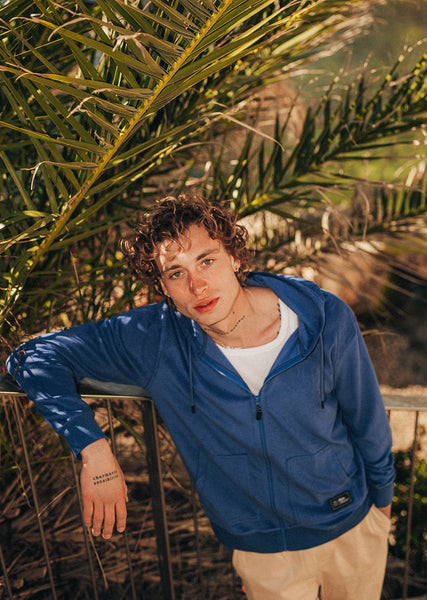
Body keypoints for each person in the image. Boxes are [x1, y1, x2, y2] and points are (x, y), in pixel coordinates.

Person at [7, 192, 395, 600]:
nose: (197, 285)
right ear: (163, 287)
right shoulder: (156, 339)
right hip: (264, 551)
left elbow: (367, 419)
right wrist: (94, 449)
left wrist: (382, 509)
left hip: (352, 525)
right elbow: (31, 358)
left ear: (235, 258)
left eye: (207, 261)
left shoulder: (323, 317)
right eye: (176, 273)